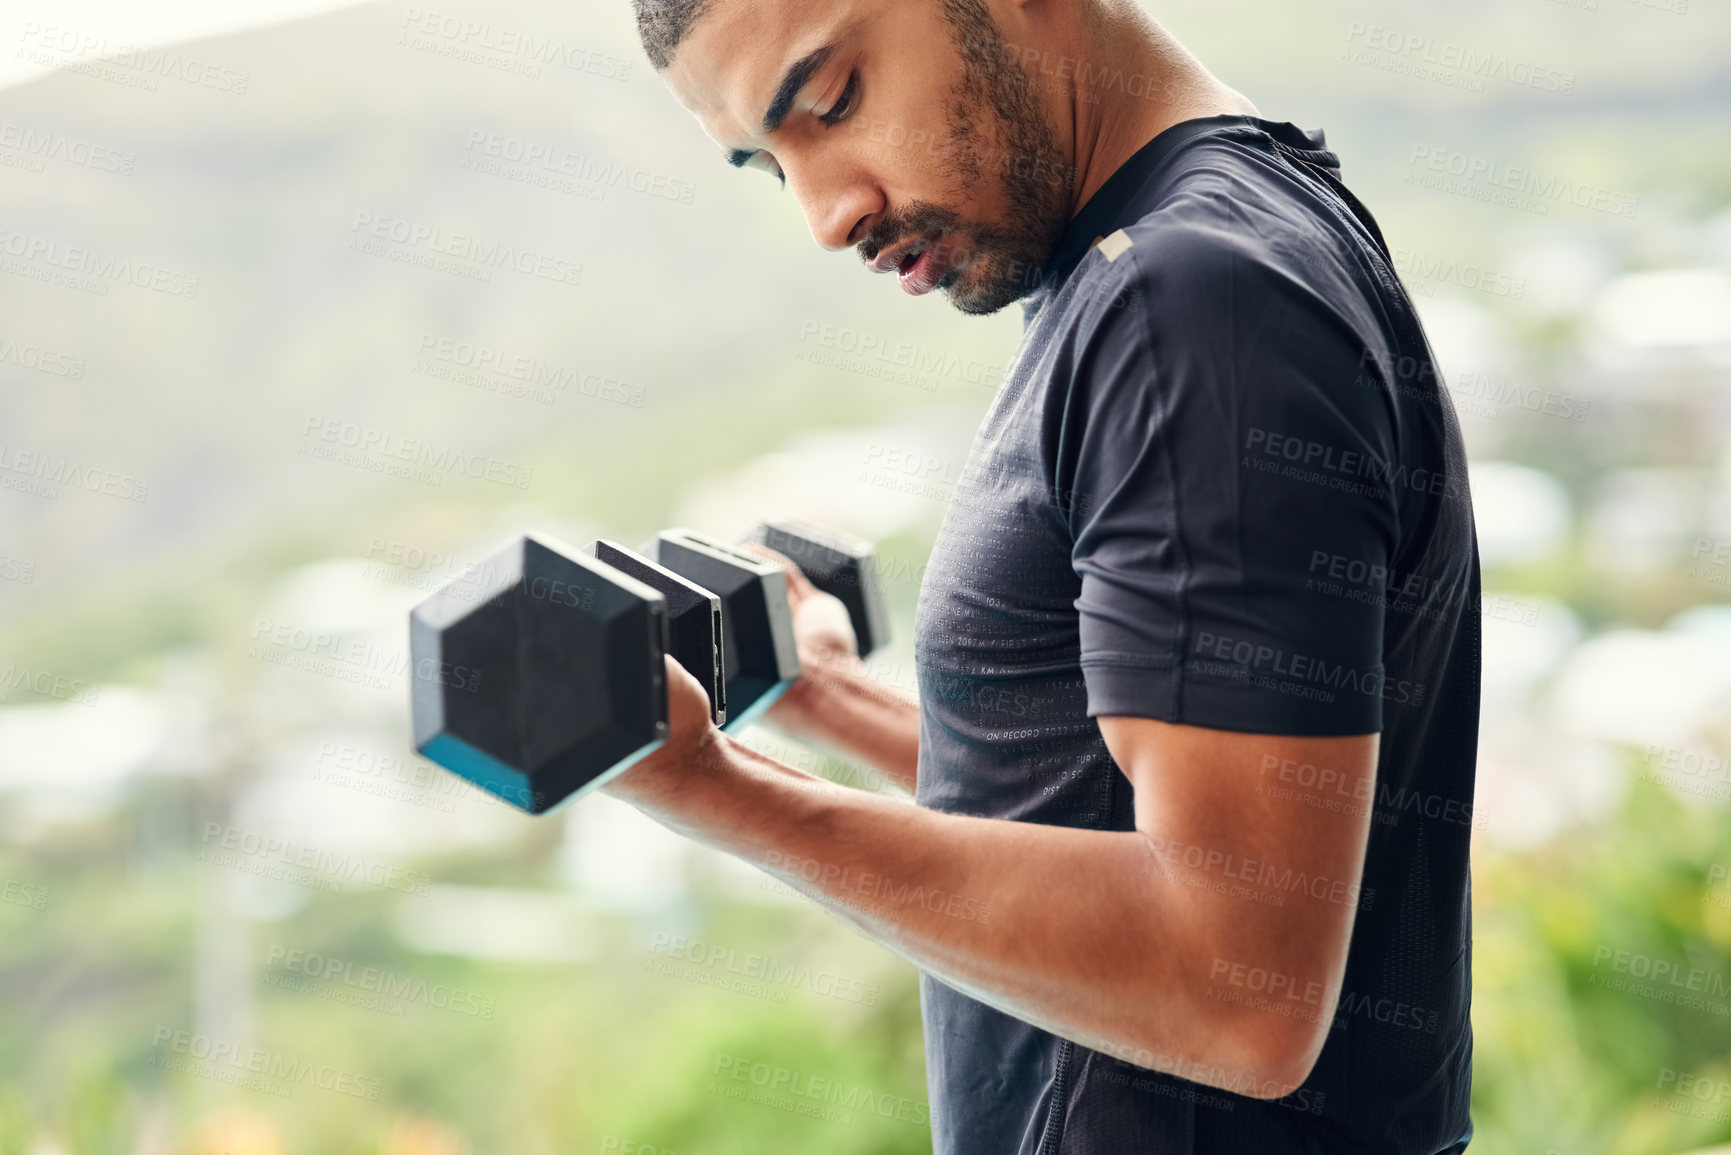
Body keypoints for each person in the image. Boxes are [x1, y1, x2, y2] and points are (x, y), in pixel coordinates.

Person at [608, 0, 1481, 1151]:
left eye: (832, 101)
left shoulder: (1189, 305)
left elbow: (1238, 986)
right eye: (774, 166)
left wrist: (713, 790)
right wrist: (826, 704)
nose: (827, 216)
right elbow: (1116, 802)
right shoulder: (1188, 252)